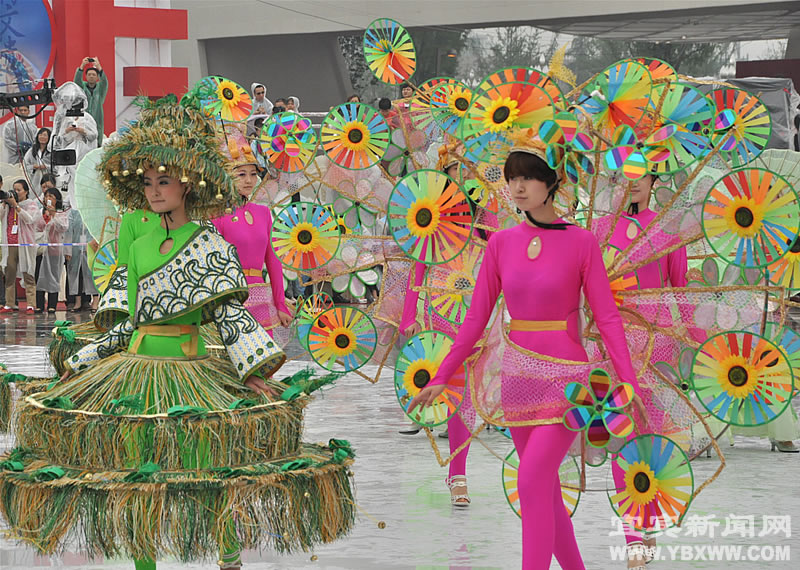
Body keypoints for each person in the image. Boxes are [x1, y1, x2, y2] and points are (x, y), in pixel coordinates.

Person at [0, 96, 355, 570]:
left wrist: (251, 373)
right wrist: (83, 363)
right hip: (135, 375)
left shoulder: (209, 243)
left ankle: (229, 557)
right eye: (146, 182)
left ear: (188, 185)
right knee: (139, 476)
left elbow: (230, 317)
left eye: (162, 181)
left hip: (193, 371)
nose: (153, 191)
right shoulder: (142, 244)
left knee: (211, 465)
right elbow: (129, 323)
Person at [409, 132, 647, 570]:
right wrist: (443, 374)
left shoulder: (581, 242)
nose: (518, 187)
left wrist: (627, 380)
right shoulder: (500, 243)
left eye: (529, 178)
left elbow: (608, 318)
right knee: (544, 491)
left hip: (568, 381)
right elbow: (475, 319)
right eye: (512, 178)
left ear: (551, 182)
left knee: (531, 476)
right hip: (516, 378)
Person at [212, 124, 293, 346]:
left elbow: (274, 262)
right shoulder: (217, 215)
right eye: (241, 174)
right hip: (230, 297)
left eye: (252, 174)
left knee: (264, 363)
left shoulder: (263, 213)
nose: (248, 180)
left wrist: (280, 304)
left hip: (260, 297)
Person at [50, 83, 98, 204]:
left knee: (84, 181)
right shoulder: (64, 119)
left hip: (84, 152)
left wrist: (82, 131)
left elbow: (94, 135)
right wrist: (67, 131)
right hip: (69, 155)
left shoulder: (87, 118)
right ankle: (74, 205)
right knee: (72, 183)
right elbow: (59, 140)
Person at [0, 179, 40, 313]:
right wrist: (5, 204)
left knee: (28, 273)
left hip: (25, 244)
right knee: (9, 274)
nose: (15, 192)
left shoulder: (31, 204)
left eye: (19, 190)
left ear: (26, 191)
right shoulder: (8, 205)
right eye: (14, 189)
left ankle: (30, 304)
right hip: (10, 244)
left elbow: (30, 219)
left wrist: (16, 205)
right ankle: (10, 303)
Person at [34, 187, 68, 313]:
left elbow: (63, 227)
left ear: (57, 199)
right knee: (39, 276)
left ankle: (52, 304)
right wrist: (45, 217)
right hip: (41, 249)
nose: (48, 199)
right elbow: (36, 226)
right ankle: (39, 304)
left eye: (51, 197)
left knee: (53, 277)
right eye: (46, 196)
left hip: (54, 251)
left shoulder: (61, 213)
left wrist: (54, 215)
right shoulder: (40, 211)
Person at [64, 205, 99, 312]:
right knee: (76, 274)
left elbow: (98, 230)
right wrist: (68, 249)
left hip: (91, 248)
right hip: (76, 249)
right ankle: (77, 302)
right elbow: (68, 231)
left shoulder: (95, 212)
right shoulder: (73, 212)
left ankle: (95, 302)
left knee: (92, 274)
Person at [73, 57, 108, 146]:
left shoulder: (100, 88)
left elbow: (104, 81)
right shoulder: (82, 87)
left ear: (97, 77)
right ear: (86, 76)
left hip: (97, 119)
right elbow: (76, 81)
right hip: (83, 121)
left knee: (96, 143)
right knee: (83, 143)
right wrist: (82, 66)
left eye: (93, 74)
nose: (91, 76)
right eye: (89, 74)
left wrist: (98, 66)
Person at [22, 127, 52, 195]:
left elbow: (57, 166)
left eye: (45, 135)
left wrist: (46, 166)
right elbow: (25, 164)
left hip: (48, 178)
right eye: (40, 134)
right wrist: (33, 166)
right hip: (34, 178)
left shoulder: (52, 151)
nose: (42, 137)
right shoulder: (32, 150)